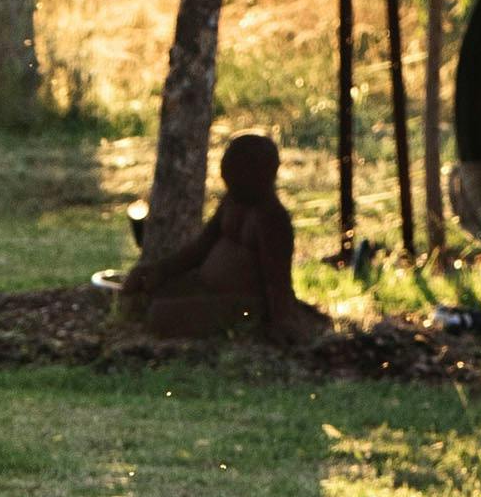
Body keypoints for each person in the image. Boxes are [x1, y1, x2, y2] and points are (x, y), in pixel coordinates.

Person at [117, 135, 333, 347]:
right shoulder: (232, 201)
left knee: (161, 315)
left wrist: (281, 322)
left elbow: (277, 281)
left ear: (259, 174)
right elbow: (200, 247)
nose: (227, 179)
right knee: (150, 290)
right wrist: (161, 270)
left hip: (245, 303)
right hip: (206, 287)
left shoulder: (271, 218)